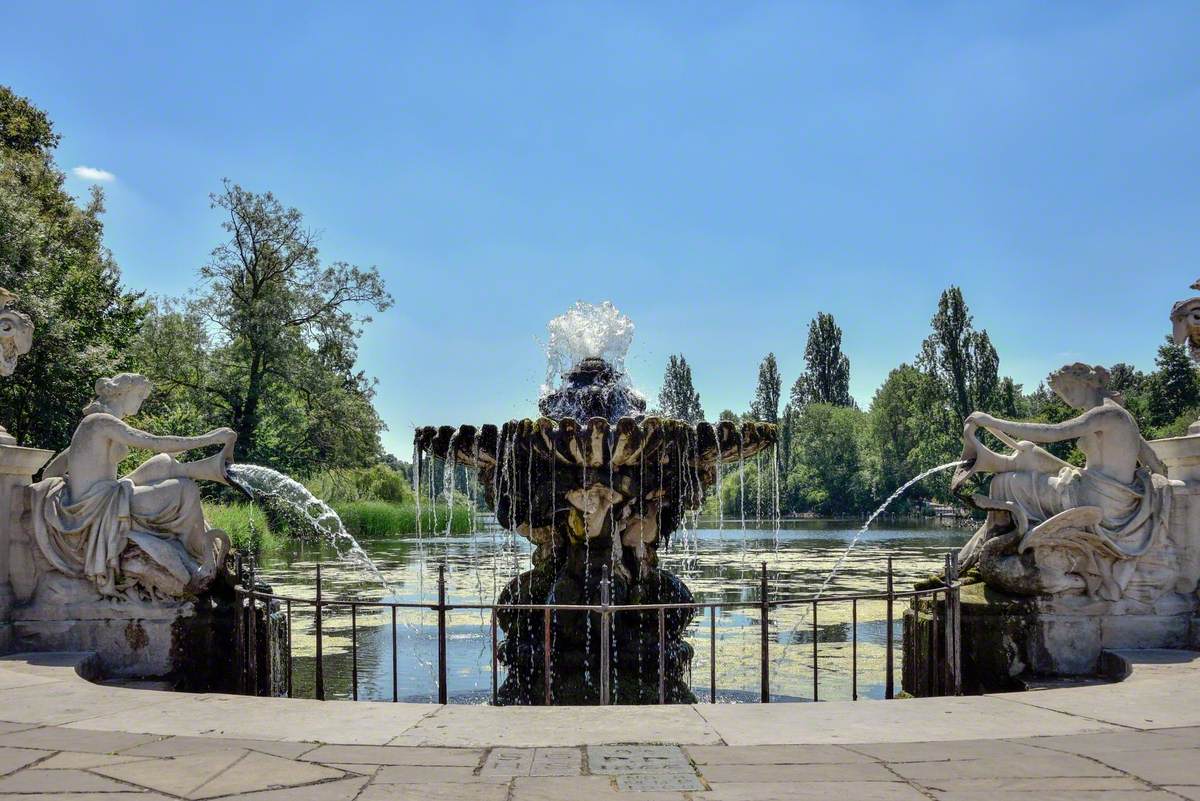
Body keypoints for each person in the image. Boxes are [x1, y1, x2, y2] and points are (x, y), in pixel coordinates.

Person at [955, 363, 1173, 601]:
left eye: (1069, 388)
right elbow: (1156, 463)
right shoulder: (1120, 415)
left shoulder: (1107, 414)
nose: (1067, 397)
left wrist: (993, 422)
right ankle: (972, 559)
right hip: (1098, 492)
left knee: (1004, 484)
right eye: (1061, 393)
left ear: (1088, 383)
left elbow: (1052, 432)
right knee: (1029, 453)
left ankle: (973, 560)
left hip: (1098, 501)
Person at [30, 374, 237, 600]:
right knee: (185, 490)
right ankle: (199, 557)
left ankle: (206, 472)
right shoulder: (101, 422)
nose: (141, 401)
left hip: (103, 496)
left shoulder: (91, 424)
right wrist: (209, 438)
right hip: (100, 506)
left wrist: (73, 489)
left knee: (163, 462)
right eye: (139, 395)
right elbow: (155, 442)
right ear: (122, 393)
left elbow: (51, 472)